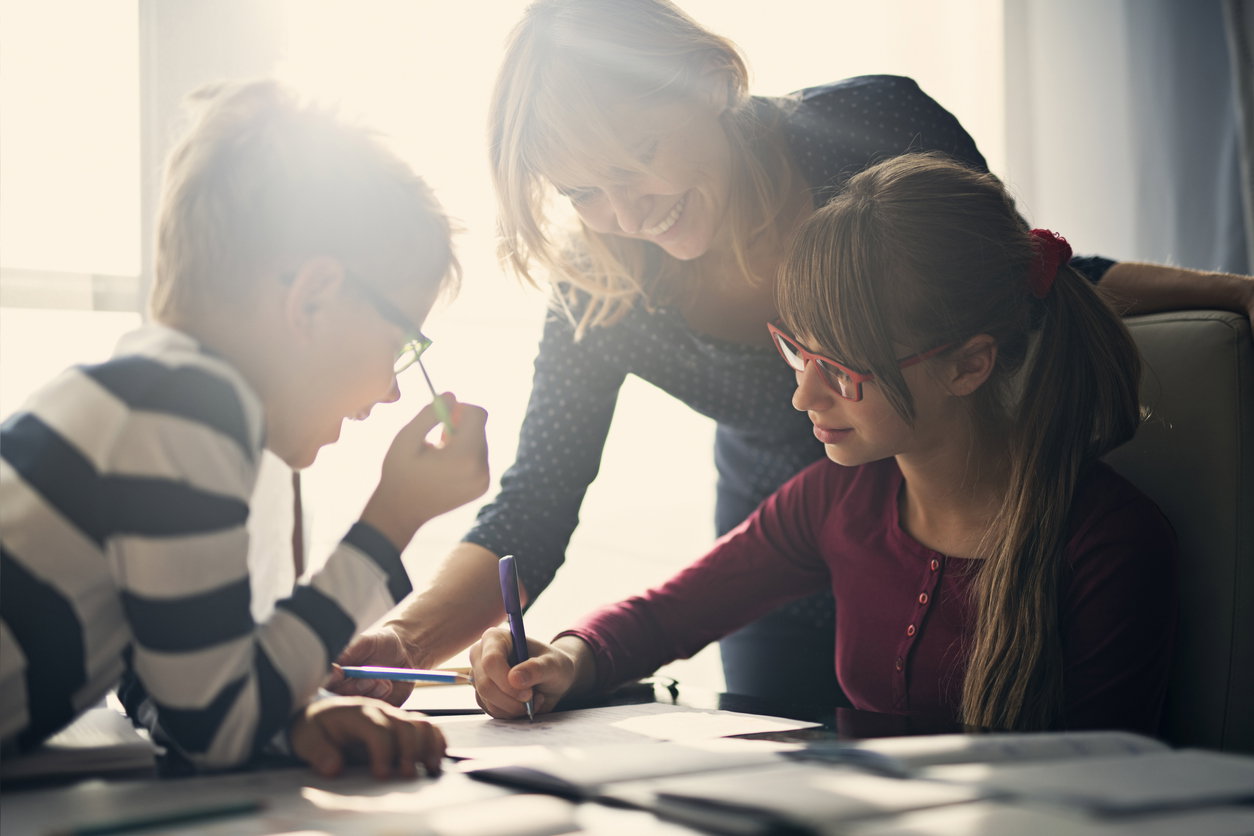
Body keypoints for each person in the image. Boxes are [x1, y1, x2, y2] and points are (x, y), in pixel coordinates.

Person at [334, 0, 1248, 706]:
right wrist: (406, 643)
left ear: (706, 82)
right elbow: (539, 499)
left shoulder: (868, 132)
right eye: (586, 192)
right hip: (790, 527)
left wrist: (1237, 297)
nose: (631, 211)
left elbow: (1022, 274)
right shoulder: (605, 280)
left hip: (972, 517)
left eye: (641, 156)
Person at [469, 152, 1179, 733]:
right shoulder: (840, 498)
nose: (803, 396)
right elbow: (664, 614)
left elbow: (1099, 790)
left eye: (839, 370)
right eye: (797, 353)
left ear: (969, 364)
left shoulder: (1107, 543)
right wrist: (561, 660)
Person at [0, 80, 490, 778]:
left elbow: (168, 684)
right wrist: (388, 525)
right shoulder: (183, 416)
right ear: (313, 297)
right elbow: (214, 726)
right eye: (398, 342)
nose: (391, 390)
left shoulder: (148, 397)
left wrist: (289, 719)